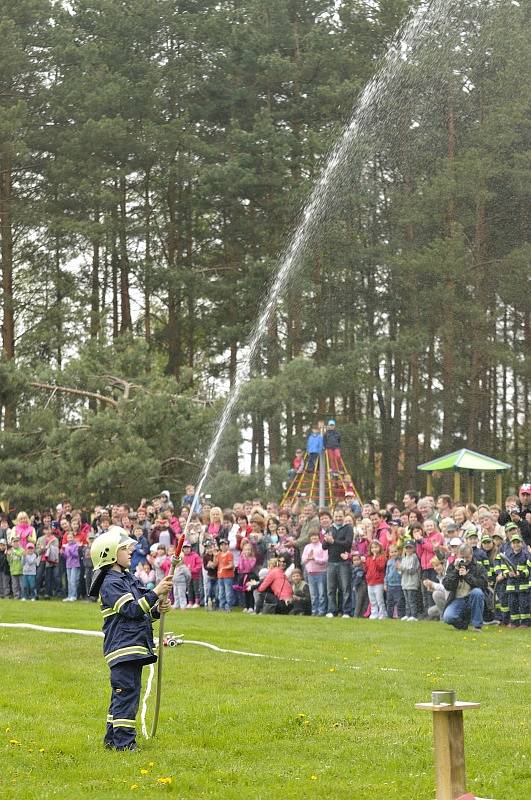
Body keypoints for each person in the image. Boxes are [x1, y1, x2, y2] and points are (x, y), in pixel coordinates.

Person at [89, 526, 173, 750]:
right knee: (126, 696)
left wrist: (157, 610)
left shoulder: (127, 579)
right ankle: (125, 744)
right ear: (110, 553)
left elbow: (142, 612)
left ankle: (111, 740)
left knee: (123, 695)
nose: (130, 552)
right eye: (125, 549)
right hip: (122, 648)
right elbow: (131, 610)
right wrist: (156, 592)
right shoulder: (110, 583)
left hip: (133, 646)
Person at [442, 544, 488, 631]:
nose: (465, 560)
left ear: (472, 555)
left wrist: (467, 576)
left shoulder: (478, 567)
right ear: (458, 555)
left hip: (472, 599)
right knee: (448, 617)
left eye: (467, 557)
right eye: (462, 557)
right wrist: (456, 572)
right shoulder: (452, 566)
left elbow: (483, 584)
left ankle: (477, 626)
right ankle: (464, 624)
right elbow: (447, 585)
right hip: (458, 599)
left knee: (477, 592)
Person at [322, 507, 353, 618]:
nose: (338, 518)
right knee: (331, 589)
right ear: (333, 517)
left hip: (343, 563)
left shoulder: (348, 528)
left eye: (340, 516)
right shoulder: (330, 529)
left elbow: (347, 543)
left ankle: (346, 611)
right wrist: (327, 540)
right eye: (336, 516)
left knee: (345, 588)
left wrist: (333, 541)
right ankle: (332, 610)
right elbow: (324, 547)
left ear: (344, 516)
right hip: (331, 562)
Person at [503, 533, 530, 628]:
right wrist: (508, 573)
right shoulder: (508, 555)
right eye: (513, 543)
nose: (516, 545)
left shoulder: (526, 555)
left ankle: (525, 623)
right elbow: (504, 568)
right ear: (511, 544)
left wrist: (520, 573)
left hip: (523, 585)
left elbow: (529, 570)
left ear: (522, 544)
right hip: (511, 585)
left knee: (524, 604)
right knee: (512, 603)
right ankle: (514, 622)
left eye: (518, 542)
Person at [301, 531, 328, 616]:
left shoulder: (323, 546)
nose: (314, 538)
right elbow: (303, 560)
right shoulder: (307, 547)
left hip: (321, 573)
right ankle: (314, 611)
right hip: (310, 573)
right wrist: (309, 558)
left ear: (319, 537)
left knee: (322, 594)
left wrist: (315, 558)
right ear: (310, 538)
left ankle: (321, 611)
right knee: (313, 595)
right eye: (312, 537)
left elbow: (325, 560)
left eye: (316, 536)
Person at [397, 540, 420, 621]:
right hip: (405, 582)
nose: (408, 549)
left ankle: (414, 615)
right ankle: (408, 614)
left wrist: (402, 568)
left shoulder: (414, 557)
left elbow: (412, 571)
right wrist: (399, 568)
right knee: (407, 600)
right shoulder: (404, 558)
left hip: (412, 582)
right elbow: (401, 572)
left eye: (410, 547)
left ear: (414, 548)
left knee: (411, 600)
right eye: (407, 548)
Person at [365, 540, 387, 619]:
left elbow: (380, 567)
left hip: (378, 582)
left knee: (379, 599)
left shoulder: (382, 557)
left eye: (376, 547)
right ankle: (374, 613)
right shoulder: (368, 558)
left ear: (380, 548)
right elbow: (366, 569)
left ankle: (382, 613)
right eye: (372, 548)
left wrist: (375, 560)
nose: (374, 549)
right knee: (372, 599)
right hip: (370, 582)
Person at [384, 545, 404, 619]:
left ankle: (400, 616)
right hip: (390, 585)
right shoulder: (389, 562)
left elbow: (402, 572)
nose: (393, 553)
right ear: (389, 553)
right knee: (389, 602)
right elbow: (387, 573)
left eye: (395, 551)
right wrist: (385, 584)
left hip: (398, 585)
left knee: (399, 602)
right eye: (391, 552)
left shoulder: (401, 560)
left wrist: (400, 567)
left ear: (398, 552)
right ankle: (389, 616)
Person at [214, 539, 234, 612]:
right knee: (221, 592)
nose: (223, 546)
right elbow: (215, 564)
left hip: (228, 575)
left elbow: (231, 565)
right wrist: (214, 556)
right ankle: (221, 606)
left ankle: (228, 606)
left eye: (225, 545)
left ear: (227, 545)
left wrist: (224, 567)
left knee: (228, 592)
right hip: (220, 575)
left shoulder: (229, 554)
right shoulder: (219, 554)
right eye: (221, 545)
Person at [182, 541, 202, 608]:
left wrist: (192, 570)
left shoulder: (195, 555)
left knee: (196, 589)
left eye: (188, 548)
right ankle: (190, 602)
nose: (186, 549)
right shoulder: (183, 557)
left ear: (190, 548)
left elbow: (199, 565)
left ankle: (197, 602)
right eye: (185, 548)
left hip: (195, 576)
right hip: (187, 577)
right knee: (189, 589)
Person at [63, 531, 80, 602]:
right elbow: (66, 556)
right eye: (68, 538)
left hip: (75, 565)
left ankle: (74, 596)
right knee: (69, 581)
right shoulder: (67, 546)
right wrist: (63, 553)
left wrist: (70, 550)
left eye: (71, 537)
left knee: (73, 581)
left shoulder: (76, 545)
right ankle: (69, 596)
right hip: (68, 565)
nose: (70, 539)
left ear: (73, 538)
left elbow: (76, 555)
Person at [351, 552, 368, 618]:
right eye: (354, 560)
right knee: (358, 600)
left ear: (361, 560)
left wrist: (355, 585)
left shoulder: (360, 568)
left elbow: (359, 577)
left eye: (357, 560)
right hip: (358, 585)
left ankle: (357, 614)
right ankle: (360, 614)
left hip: (361, 585)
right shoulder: (354, 567)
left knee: (359, 600)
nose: (356, 561)